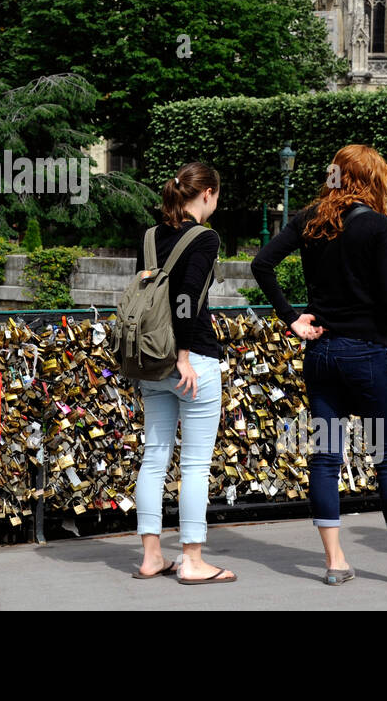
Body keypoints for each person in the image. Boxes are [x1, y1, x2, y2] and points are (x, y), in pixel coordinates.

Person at [253, 144, 387, 586]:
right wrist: (383, 323)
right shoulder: (379, 225)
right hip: (368, 354)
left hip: (321, 352)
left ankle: (335, 563)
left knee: (325, 457)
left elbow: (262, 264)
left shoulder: (311, 219)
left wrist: (292, 319)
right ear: (372, 180)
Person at [131, 161, 233, 584]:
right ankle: (192, 560)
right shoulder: (204, 237)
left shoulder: (151, 236)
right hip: (192, 362)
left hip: (149, 361)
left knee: (154, 459)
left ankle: (152, 556)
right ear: (206, 192)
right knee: (194, 465)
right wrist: (185, 356)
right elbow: (188, 299)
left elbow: (145, 294)